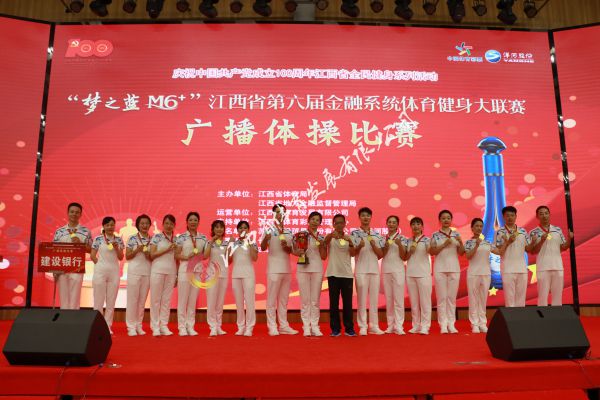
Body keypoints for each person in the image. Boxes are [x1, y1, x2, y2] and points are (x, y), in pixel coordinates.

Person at [260, 203, 297, 336]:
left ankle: (284, 325)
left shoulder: (289, 231)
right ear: (273, 214)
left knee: (283, 300)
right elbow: (263, 247)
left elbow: (292, 250)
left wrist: (287, 247)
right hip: (274, 269)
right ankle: (272, 326)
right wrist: (266, 239)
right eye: (277, 211)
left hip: (286, 269)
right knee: (271, 300)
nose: (280, 214)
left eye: (282, 212)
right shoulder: (268, 229)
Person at [529, 205, 573, 306]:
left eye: (546, 213)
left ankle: (557, 315)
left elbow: (563, 247)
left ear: (549, 214)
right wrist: (541, 241)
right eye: (541, 214)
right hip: (543, 268)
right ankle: (542, 315)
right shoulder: (533, 232)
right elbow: (533, 251)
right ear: (537, 216)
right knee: (543, 296)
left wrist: (569, 239)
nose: (544, 216)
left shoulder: (557, 230)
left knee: (557, 297)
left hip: (557, 267)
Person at [351, 207, 385, 336]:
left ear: (371, 217)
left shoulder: (377, 234)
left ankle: (374, 326)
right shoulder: (354, 234)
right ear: (359, 217)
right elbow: (352, 252)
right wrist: (359, 246)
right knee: (361, 300)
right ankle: (363, 326)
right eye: (363, 215)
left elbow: (380, 255)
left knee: (374, 300)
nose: (366, 217)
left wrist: (374, 245)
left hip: (374, 270)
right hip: (361, 270)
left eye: (368, 215)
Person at [293, 211, 327, 337]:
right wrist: (299, 251)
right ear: (308, 220)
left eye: (317, 220)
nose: (314, 222)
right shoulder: (300, 235)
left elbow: (324, 257)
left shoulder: (322, 237)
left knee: (315, 300)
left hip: (317, 269)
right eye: (313, 219)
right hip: (303, 269)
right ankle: (306, 326)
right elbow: (294, 251)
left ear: (320, 223)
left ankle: (315, 326)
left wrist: (322, 246)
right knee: (305, 300)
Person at [52, 202, 92, 310]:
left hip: (77, 267)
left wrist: (81, 244)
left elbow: (91, 250)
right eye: (72, 212)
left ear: (81, 214)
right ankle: (64, 319)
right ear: (68, 213)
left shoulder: (86, 231)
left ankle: (74, 318)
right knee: (63, 298)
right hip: (62, 268)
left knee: (75, 298)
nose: (74, 214)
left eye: (77, 212)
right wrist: (54, 268)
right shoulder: (59, 231)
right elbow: (53, 250)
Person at [430, 210, 464, 334]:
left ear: (451, 220)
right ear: (440, 220)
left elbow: (461, 252)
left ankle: (451, 324)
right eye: (443, 218)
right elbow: (432, 252)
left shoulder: (456, 234)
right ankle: (443, 324)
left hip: (454, 268)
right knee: (442, 298)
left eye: (448, 218)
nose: (446, 220)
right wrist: (444, 244)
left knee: (451, 298)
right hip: (440, 269)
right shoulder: (435, 235)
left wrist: (460, 242)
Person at [324, 214, 358, 337]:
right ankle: (335, 329)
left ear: (344, 224)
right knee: (334, 303)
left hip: (347, 274)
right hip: (333, 273)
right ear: (333, 224)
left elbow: (353, 253)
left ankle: (349, 328)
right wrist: (330, 235)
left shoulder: (349, 237)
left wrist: (350, 243)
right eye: (336, 223)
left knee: (347, 303)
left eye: (341, 223)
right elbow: (324, 243)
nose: (339, 225)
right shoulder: (330, 237)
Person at [175, 212, 207, 336]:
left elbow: (205, 255)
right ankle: (182, 327)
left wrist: (200, 255)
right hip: (184, 270)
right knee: (183, 300)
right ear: (187, 222)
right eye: (191, 220)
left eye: (195, 220)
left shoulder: (203, 238)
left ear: (198, 222)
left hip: (197, 271)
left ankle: (190, 326)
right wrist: (186, 257)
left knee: (193, 301)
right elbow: (176, 255)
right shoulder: (181, 237)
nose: (193, 222)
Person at [495, 206, 534, 307]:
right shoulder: (499, 232)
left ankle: (520, 316)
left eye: (512, 215)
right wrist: (508, 242)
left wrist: (534, 241)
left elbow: (528, 249)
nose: (510, 218)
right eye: (507, 215)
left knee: (521, 298)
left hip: (522, 268)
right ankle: (510, 316)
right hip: (507, 269)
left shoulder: (523, 231)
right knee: (510, 298)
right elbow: (499, 250)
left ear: (516, 216)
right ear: (503, 217)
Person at [90, 216, 124, 334]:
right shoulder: (98, 239)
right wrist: (99, 265)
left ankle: (108, 326)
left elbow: (121, 257)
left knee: (111, 300)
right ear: (103, 226)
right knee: (98, 300)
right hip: (100, 271)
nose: (110, 227)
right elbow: (92, 255)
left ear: (114, 226)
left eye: (112, 225)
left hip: (114, 271)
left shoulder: (118, 240)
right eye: (107, 225)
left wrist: (117, 248)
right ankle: (97, 326)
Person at [464, 218, 497, 333]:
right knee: (473, 299)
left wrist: (506, 242)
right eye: (476, 226)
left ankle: (482, 323)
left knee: (483, 300)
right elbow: (468, 256)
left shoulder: (487, 243)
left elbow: (499, 251)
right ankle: (474, 324)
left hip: (486, 273)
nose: (479, 228)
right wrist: (476, 245)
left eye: (480, 226)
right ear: (472, 228)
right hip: (473, 273)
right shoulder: (468, 243)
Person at [149, 214, 178, 336]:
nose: (169, 226)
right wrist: (167, 249)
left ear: (174, 225)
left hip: (171, 272)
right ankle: (155, 326)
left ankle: (164, 325)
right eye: (166, 223)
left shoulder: (176, 239)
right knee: (155, 300)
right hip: (157, 271)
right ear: (163, 224)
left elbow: (177, 258)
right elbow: (152, 254)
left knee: (166, 300)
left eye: (171, 224)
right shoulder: (157, 237)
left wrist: (177, 275)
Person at [229, 220, 258, 337]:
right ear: (237, 230)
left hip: (248, 275)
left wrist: (250, 242)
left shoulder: (252, 242)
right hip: (236, 274)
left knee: (250, 302)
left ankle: (249, 327)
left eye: (245, 228)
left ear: (248, 230)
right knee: (239, 303)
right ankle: (241, 327)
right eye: (240, 228)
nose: (242, 230)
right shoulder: (234, 243)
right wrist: (230, 246)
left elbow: (254, 258)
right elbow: (228, 261)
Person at [125, 214, 152, 336]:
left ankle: (138, 325)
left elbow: (153, 257)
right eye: (142, 223)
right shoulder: (132, 238)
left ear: (149, 225)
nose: (144, 225)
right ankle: (131, 326)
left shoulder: (153, 239)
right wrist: (137, 250)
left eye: (146, 223)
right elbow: (127, 256)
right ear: (138, 225)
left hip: (147, 272)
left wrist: (148, 255)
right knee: (132, 300)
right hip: (134, 272)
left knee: (142, 301)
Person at [404, 217, 432, 335]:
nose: (416, 226)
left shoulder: (427, 240)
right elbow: (405, 257)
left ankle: (425, 326)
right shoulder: (408, 241)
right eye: (413, 224)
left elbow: (431, 251)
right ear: (411, 227)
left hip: (424, 274)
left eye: (418, 224)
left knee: (425, 302)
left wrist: (430, 247)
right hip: (411, 274)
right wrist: (410, 251)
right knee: (414, 302)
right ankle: (416, 325)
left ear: (422, 226)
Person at [381, 215, 407, 335]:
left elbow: (404, 256)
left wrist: (400, 244)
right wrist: (385, 247)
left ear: (397, 225)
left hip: (398, 271)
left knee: (398, 299)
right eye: (389, 222)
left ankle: (399, 326)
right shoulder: (383, 239)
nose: (391, 224)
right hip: (386, 270)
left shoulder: (402, 238)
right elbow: (380, 255)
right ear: (387, 224)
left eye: (394, 222)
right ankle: (390, 325)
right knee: (389, 299)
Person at [204, 219, 229, 336]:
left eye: (221, 227)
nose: (219, 229)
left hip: (223, 274)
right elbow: (205, 256)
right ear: (213, 229)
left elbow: (228, 259)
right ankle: (212, 326)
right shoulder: (209, 242)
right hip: (211, 275)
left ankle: (218, 326)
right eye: (217, 227)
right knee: (211, 301)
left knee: (220, 302)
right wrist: (211, 241)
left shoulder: (226, 243)